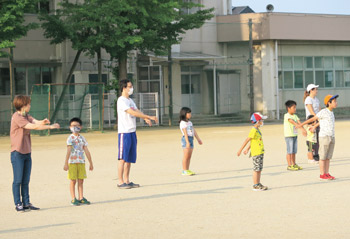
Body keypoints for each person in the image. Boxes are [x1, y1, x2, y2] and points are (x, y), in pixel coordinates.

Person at [10, 95, 60, 212]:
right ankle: (18, 203)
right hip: (17, 153)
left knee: (26, 180)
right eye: (28, 104)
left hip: (27, 152)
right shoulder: (17, 117)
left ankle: (26, 203)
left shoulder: (26, 115)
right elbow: (32, 126)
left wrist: (42, 122)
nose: (30, 106)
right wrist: (50, 127)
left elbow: (35, 121)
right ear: (22, 106)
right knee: (18, 180)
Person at [117, 79, 158, 189]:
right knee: (122, 158)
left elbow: (136, 110)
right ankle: (120, 182)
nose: (131, 88)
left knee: (129, 158)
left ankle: (127, 180)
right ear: (124, 88)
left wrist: (145, 117)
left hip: (132, 131)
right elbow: (131, 112)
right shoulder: (121, 101)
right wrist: (149, 116)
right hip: (124, 133)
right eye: (129, 86)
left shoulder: (130, 100)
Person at [299, 95, 338, 180]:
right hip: (324, 137)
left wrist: (315, 126)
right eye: (334, 101)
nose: (336, 103)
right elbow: (313, 119)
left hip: (332, 136)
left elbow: (322, 122)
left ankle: (327, 173)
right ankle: (322, 174)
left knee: (328, 157)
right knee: (323, 157)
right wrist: (301, 124)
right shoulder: (323, 111)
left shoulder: (331, 112)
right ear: (329, 103)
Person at [64, 117, 93, 206]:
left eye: (77, 126)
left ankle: (81, 197)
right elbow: (68, 150)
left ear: (80, 127)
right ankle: (73, 198)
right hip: (72, 162)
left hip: (81, 162)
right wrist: (66, 163)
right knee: (73, 180)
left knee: (81, 180)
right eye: (73, 126)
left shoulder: (82, 138)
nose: (75, 127)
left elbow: (86, 150)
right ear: (70, 127)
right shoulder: (70, 138)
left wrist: (91, 162)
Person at [237, 112, 268, 191]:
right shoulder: (253, 130)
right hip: (256, 152)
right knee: (256, 169)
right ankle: (255, 185)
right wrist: (240, 150)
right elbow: (248, 139)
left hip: (260, 151)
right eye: (261, 120)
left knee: (259, 169)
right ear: (257, 121)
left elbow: (253, 141)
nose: (262, 122)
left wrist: (247, 149)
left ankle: (258, 183)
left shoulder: (257, 130)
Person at [179, 107, 203, 176]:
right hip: (186, 139)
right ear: (184, 114)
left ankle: (187, 169)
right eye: (188, 113)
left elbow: (193, 131)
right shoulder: (183, 123)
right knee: (186, 156)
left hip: (191, 138)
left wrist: (198, 139)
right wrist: (187, 142)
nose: (190, 114)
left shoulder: (189, 122)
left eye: (190, 113)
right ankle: (184, 170)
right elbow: (185, 132)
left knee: (189, 156)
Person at [284, 100, 307, 171]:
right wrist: (299, 127)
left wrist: (303, 129)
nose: (295, 109)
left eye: (295, 107)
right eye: (293, 107)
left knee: (294, 151)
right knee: (289, 151)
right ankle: (289, 165)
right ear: (288, 108)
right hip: (289, 136)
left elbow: (299, 123)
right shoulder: (287, 115)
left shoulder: (295, 116)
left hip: (294, 135)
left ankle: (294, 164)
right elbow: (292, 122)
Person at [303, 84, 321, 163]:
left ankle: (316, 154)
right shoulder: (308, 99)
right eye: (315, 89)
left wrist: (321, 117)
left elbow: (319, 110)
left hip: (317, 119)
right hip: (311, 120)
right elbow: (311, 111)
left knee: (317, 138)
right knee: (311, 138)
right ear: (311, 90)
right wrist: (316, 118)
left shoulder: (316, 99)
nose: (316, 91)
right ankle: (311, 155)